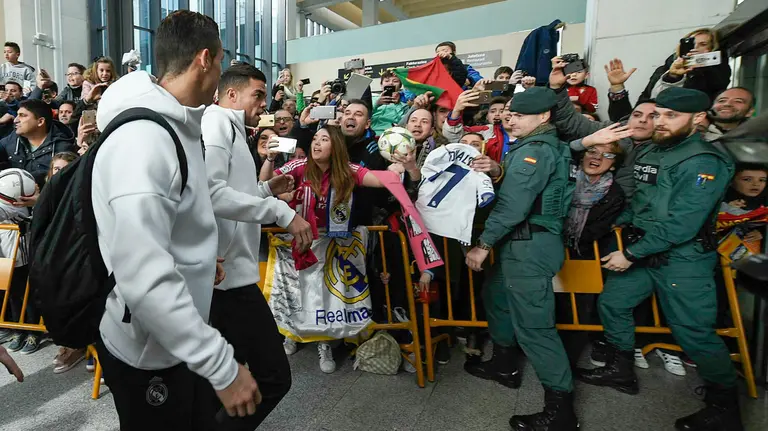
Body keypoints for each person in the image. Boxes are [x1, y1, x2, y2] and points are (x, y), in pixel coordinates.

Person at [90, 10, 261, 429]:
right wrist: (221, 366)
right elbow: (142, 273)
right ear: (205, 58)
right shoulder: (146, 139)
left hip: (170, 338)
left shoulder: (178, 125)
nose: (221, 73)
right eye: (221, 61)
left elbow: (174, 218)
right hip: (148, 347)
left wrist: (199, 261)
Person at [577, 87, 742, 430]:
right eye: (658, 115)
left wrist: (630, 253)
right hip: (644, 250)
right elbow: (643, 201)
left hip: (682, 259)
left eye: (671, 116)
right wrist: (619, 224)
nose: (660, 122)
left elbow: (683, 223)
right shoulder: (652, 150)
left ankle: (725, 408)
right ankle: (621, 370)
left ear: (698, 119)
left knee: (694, 332)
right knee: (614, 303)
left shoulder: (704, 161)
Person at [201, 62, 313, 429]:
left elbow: (232, 194)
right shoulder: (217, 123)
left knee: (218, 380)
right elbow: (212, 194)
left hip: (227, 273)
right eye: (258, 95)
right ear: (231, 94)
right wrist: (281, 212)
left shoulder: (232, 130)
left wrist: (267, 189)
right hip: (226, 277)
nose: (264, 105)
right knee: (273, 376)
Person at [464, 87, 578, 430]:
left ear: (543, 117)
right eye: (510, 113)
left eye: (520, 115)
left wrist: (483, 244)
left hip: (530, 245)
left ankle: (561, 410)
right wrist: (499, 172)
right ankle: (504, 365)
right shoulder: (533, 148)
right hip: (521, 243)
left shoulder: (537, 151)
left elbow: (515, 204)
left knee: (535, 327)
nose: (511, 119)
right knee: (495, 295)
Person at [261, 125, 390, 373]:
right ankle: (293, 334)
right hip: (299, 242)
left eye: (324, 139)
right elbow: (265, 181)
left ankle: (324, 343)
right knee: (295, 291)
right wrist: (269, 158)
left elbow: (376, 180)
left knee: (324, 296)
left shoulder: (347, 171)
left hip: (332, 244)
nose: (316, 143)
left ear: (337, 147)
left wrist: (397, 170)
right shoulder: (299, 166)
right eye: (315, 139)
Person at [639, 28, 730, 104]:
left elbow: (717, 88)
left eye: (703, 44)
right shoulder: (664, 69)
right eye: (691, 43)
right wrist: (672, 76)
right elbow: (647, 97)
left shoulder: (718, 70)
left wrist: (702, 64)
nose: (695, 47)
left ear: (711, 48)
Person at [0, 99, 77, 187]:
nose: (16, 120)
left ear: (40, 121)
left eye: (22, 115)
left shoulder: (62, 149)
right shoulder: (13, 138)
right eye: (17, 115)